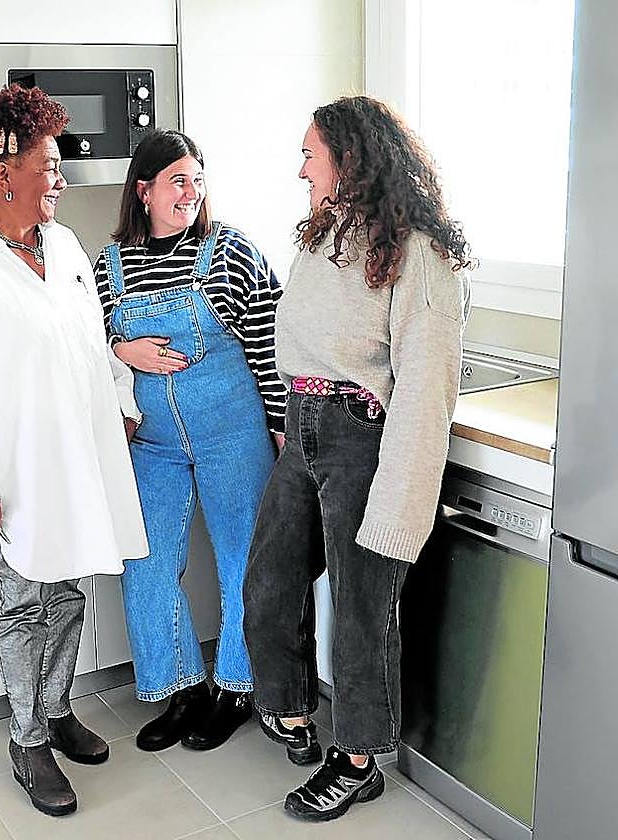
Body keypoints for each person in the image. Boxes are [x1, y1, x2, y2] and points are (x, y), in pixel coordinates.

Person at [0, 84, 149, 818]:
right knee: (23, 605)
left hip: (77, 460)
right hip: (12, 472)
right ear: (3, 169)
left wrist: (121, 401)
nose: (62, 179)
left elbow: (89, 336)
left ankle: (54, 710)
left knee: (71, 591)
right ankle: (26, 740)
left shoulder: (66, 245)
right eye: (50, 165)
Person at [243, 95, 472, 822]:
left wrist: (399, 511)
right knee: (269, 584)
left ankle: (359, 759)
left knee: (362, 613)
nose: (299, 167)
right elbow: (301, 343)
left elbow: (427, 389)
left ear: (351, 157)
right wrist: (287, 425)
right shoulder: (323, 235)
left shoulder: (421, 257)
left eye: (310, 153)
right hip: (302, 429)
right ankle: (291, 710)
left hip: (363, 439)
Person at [95, 129, 287, 753]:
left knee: (242, 562)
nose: (191, 193)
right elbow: (80, 349)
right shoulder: (108, 265)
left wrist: (281, 426)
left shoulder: (230, 252)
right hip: (150, 442)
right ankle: (180, 687)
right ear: (144, 189)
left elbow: (269, 344)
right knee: (146, 559)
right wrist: (120, 348)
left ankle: (235, 687)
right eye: (178, 180)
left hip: (233, 431)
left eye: (198, 181)